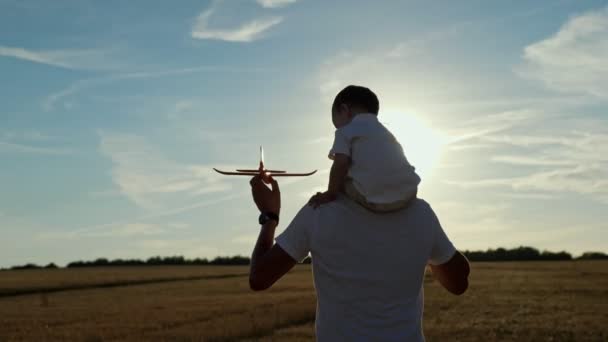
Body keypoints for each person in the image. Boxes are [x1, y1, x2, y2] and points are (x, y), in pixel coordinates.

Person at [248, 175, 470, 341]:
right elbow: (459, 282)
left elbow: (259, 277)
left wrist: (270, 216)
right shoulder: (421, 213)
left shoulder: (319, 211)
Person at [308, 85, 421, 212]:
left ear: (344, 109)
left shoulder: (345, 131)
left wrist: (330, 192)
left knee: (342, 180)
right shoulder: (385, 132)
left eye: (336, 124)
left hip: (375, 199)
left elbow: (341, 163)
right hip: (409, 192)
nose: (337, 128)